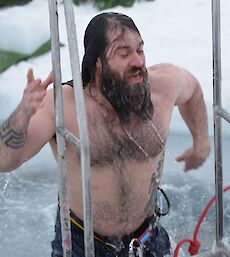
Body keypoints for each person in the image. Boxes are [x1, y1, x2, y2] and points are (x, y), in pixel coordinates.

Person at [0, 12, 210, 257]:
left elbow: (193, 91)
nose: (137, 61)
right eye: (123, 53)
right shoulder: (63, 106)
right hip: (82, 242)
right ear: (97, 63)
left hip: (147, 237)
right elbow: (5, 160)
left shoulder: (162, 87)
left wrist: (201, 143)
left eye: (140, 50)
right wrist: (23, 114)